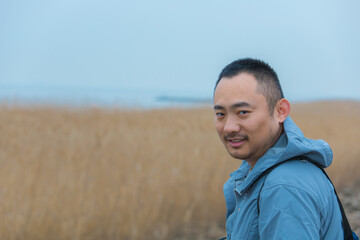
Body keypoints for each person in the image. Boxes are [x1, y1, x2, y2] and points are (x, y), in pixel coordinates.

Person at [213, 58, 344, 239]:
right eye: (220, 114)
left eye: (243, 112)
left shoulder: (284, 186)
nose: (229, 127)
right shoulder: (263, 170)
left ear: (280, 111)